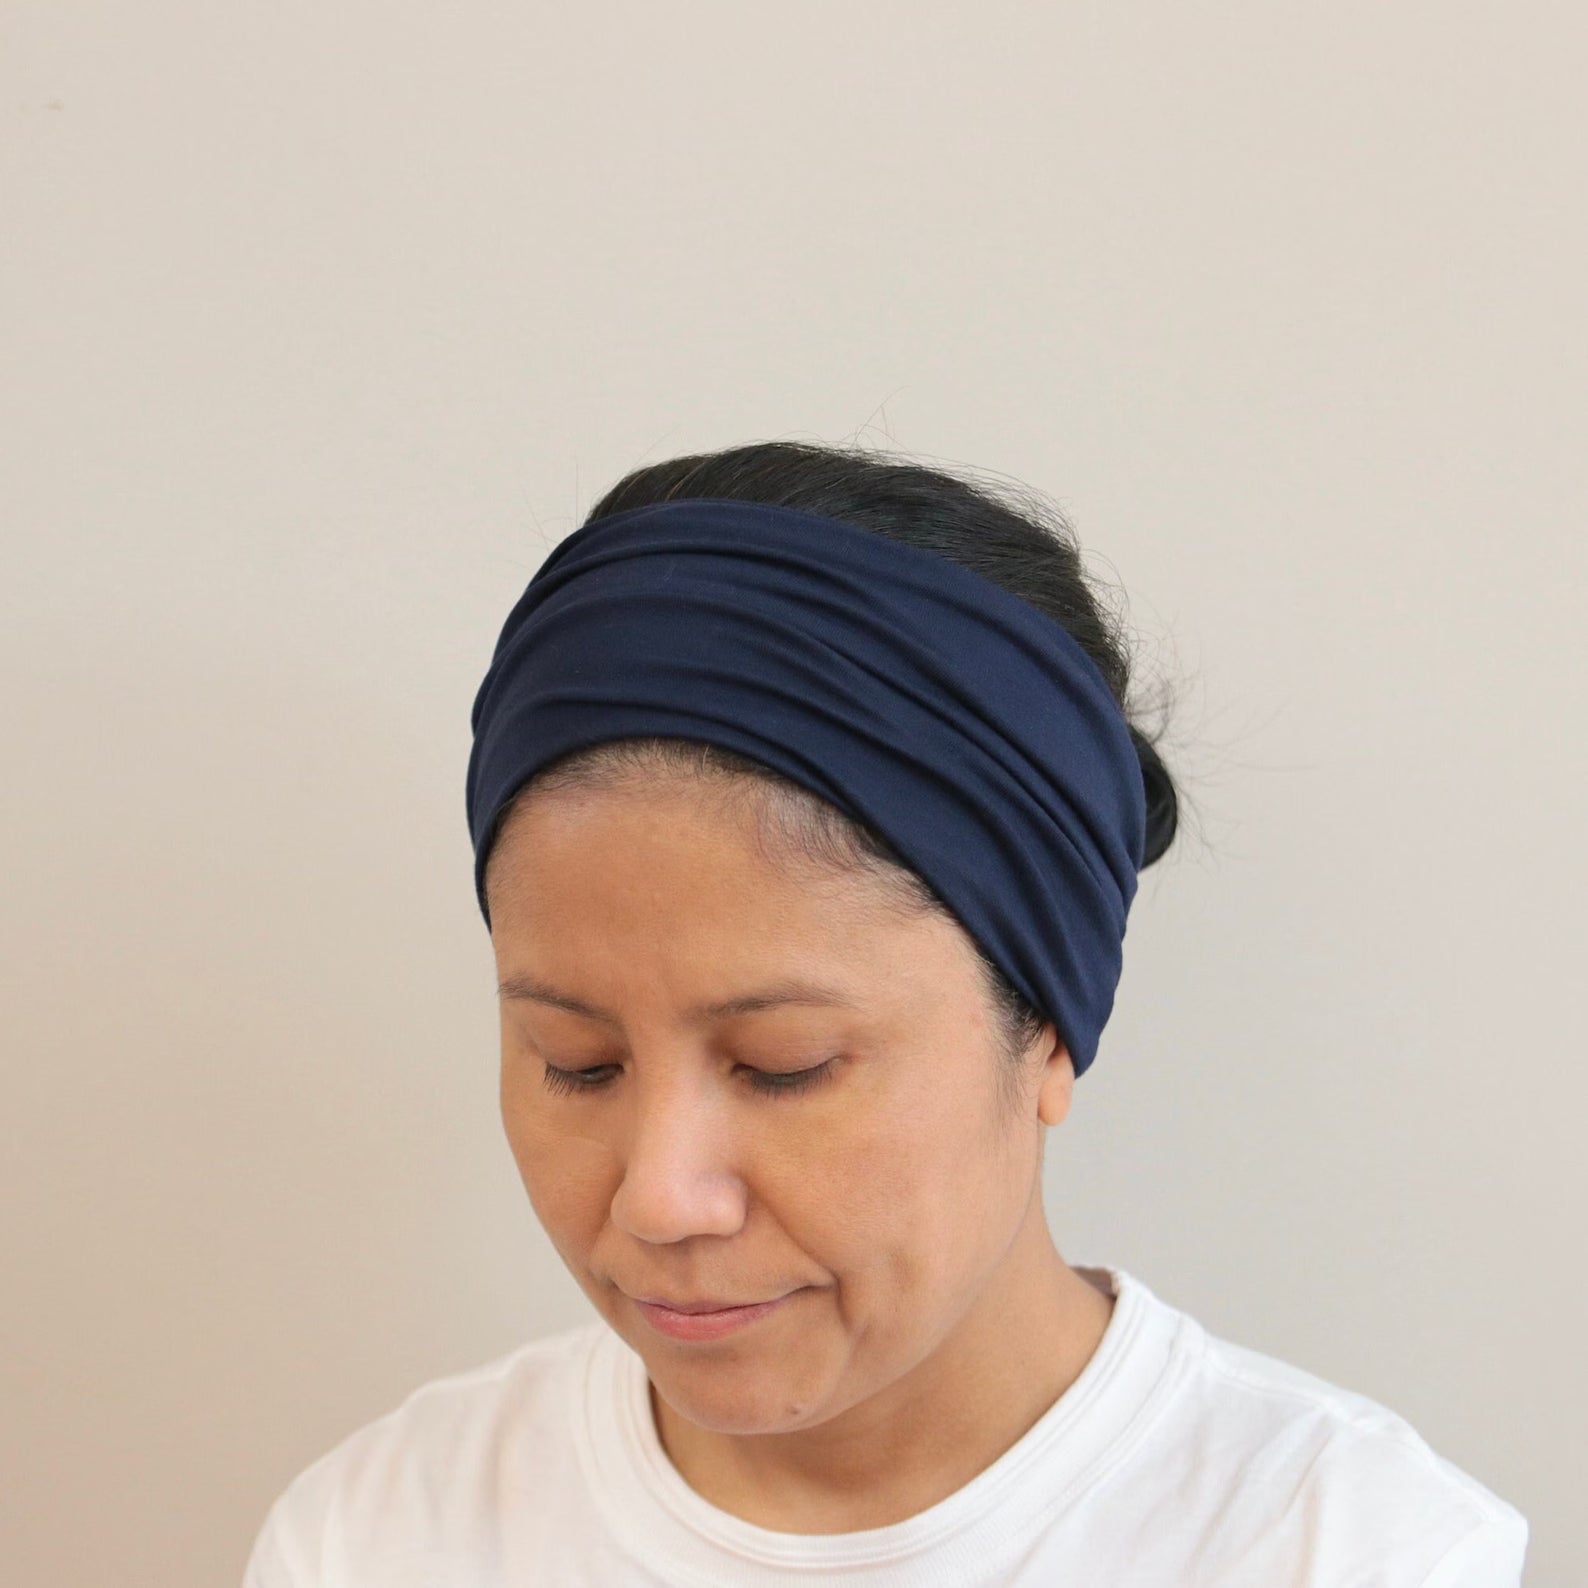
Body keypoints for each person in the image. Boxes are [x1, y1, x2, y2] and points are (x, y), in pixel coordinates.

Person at [242, 440, 1528, 1585]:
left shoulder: (1351, 1549)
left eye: (781, 1065)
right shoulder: (380, 1535)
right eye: (577, 1062)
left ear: (1046, 1032)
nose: (658, 1198)